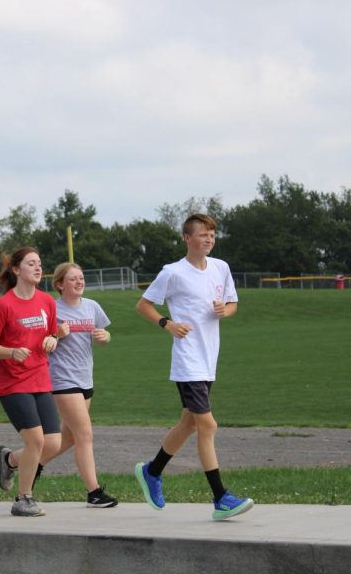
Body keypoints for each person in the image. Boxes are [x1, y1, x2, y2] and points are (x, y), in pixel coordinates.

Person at [134, 214, 254, 520]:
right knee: (207, 425)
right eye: (203, 234)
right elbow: (143, 305)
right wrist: (167, 323)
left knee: (189, 423)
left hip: (208, 358)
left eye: (212, 234)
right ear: (187, 238)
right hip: (188, 360)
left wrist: (224, 311)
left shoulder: (221, 268)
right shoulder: (173, 272)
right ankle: (221, 498)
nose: (209, 239)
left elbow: (232, 304)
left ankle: (152, 471)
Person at [0, 247, 61, 517]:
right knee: (36, 441)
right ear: (16, 270)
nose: (38, 268)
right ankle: (23, 499)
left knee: (53, 443)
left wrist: (54, 339)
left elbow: (51, 333)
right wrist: (10, 352)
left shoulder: (47, 301)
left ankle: (9, 460)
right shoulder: (3, 305)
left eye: (40, 263)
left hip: (41, 378)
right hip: (13, 383)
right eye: (31, 264)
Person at [39, 262, 118, 508]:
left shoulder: (92, 307)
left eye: (81, 278)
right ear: (60, 284)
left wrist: (105, 336)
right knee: (85, 434)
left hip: (85, 379)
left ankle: (18, 462)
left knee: (70, 438)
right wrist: (55, 335)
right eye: (73, 279)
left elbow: (104, 333)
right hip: (62, 379)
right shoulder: (51, 308)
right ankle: (94, 492)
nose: (79, 282)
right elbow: (40, 342)